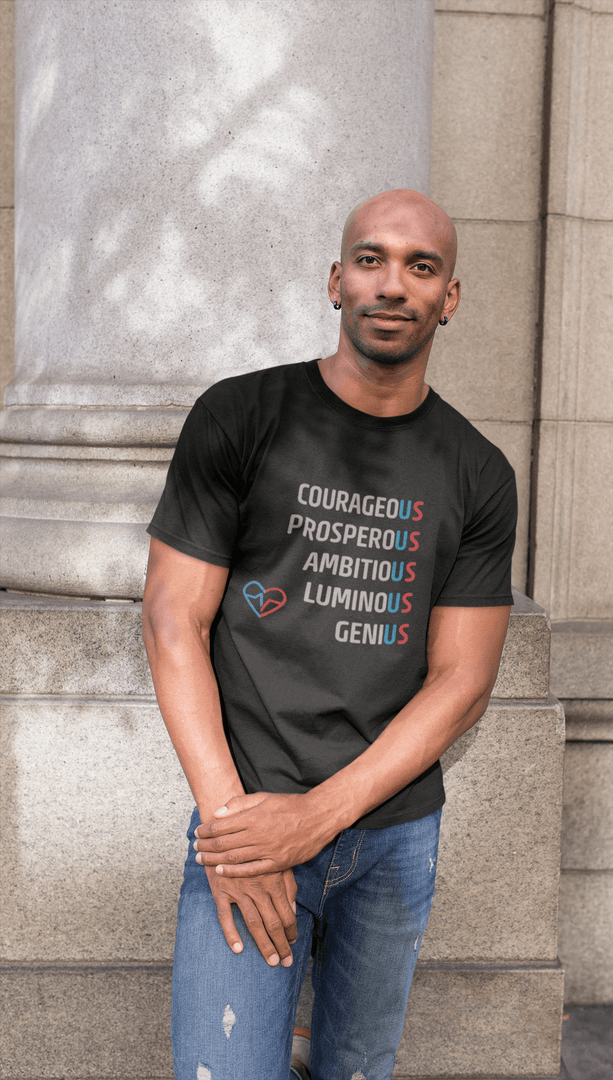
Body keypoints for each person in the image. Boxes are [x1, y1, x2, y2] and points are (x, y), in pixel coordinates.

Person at [142, 188, 517, 1080]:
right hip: (244, 810)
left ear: (450, 297)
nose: (393, 284)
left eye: (421, 267)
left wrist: (316, 818)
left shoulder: (478, 471)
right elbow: (171, 620)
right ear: (334, 280)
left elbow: (462, 682)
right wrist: (240, 828)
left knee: (357, 1068)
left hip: (390, 835)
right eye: (371, 259)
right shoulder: (239, 416)